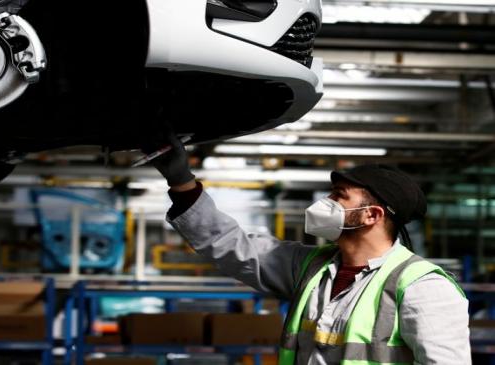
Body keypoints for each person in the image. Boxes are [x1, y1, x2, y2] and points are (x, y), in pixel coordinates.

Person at [144, 132, 471, 365]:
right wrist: (181, 181)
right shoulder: (310, 267)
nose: (325, 202)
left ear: (372, 215)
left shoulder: (422, 287)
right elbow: (232, 246)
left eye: (339, 196)